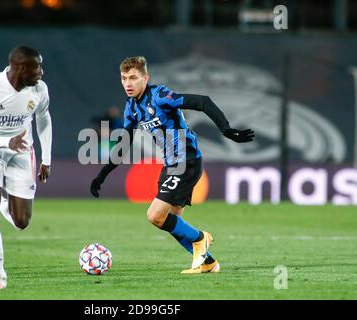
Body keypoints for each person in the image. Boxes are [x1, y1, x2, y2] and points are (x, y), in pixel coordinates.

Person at [90, 56, 254, 274]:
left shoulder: (159, 96)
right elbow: (124, 144)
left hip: (187, 161)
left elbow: (202, 101)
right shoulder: (132, 107)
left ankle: (201, 238)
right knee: (171, 222)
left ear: (145, 78)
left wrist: (226, 129)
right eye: (124, 78)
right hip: (171, 165)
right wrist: (102, 174)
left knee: (155, 215)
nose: (128, 83)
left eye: (133, 78)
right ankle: (208, 263)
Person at [0, 46, 52, 289]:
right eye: (37, 66)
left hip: (21, 151)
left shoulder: (39, 90)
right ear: (21, 68)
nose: (41, 72)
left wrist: (46, 158)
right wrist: (6, 142)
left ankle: (2, 201)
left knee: (21, 222)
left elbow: (44, 119)